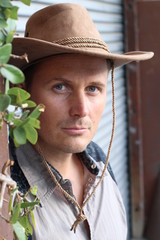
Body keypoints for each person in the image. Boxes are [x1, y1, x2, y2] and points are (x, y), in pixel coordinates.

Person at [9, 3, 154, 240]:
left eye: (93, 88)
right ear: (22, 91)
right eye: (60, 86)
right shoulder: (10, 191)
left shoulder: (99, 164)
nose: (81, 110)